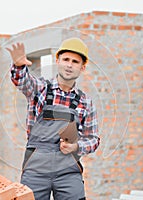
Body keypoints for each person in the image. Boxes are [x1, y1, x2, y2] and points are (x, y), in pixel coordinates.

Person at [6, 37, 100, 200]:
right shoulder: (40, 89)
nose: (69, 65)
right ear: (57, 61)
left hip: (68, 171)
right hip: (36, 170)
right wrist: (19, 66)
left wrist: (76, 147)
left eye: (75, 62)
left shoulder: (85, 101)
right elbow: (22, 81)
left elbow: (93, 139)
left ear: (82, 68)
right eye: (66, 59)